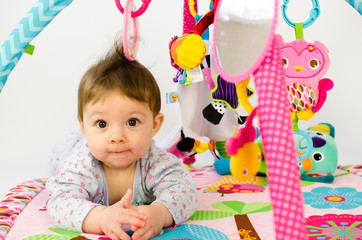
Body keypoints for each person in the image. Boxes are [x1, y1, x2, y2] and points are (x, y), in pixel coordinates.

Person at [46, 41, 198, 240]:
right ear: (84, 127)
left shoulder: (155, 161)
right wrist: (100, 217)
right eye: (102, 124)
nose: (117, 137)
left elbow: (185, 190)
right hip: (67, 150)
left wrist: (160, 213)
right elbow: (60, 202)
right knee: (59, 168)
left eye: (132, 122)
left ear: (154, 124)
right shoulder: (82, 164)